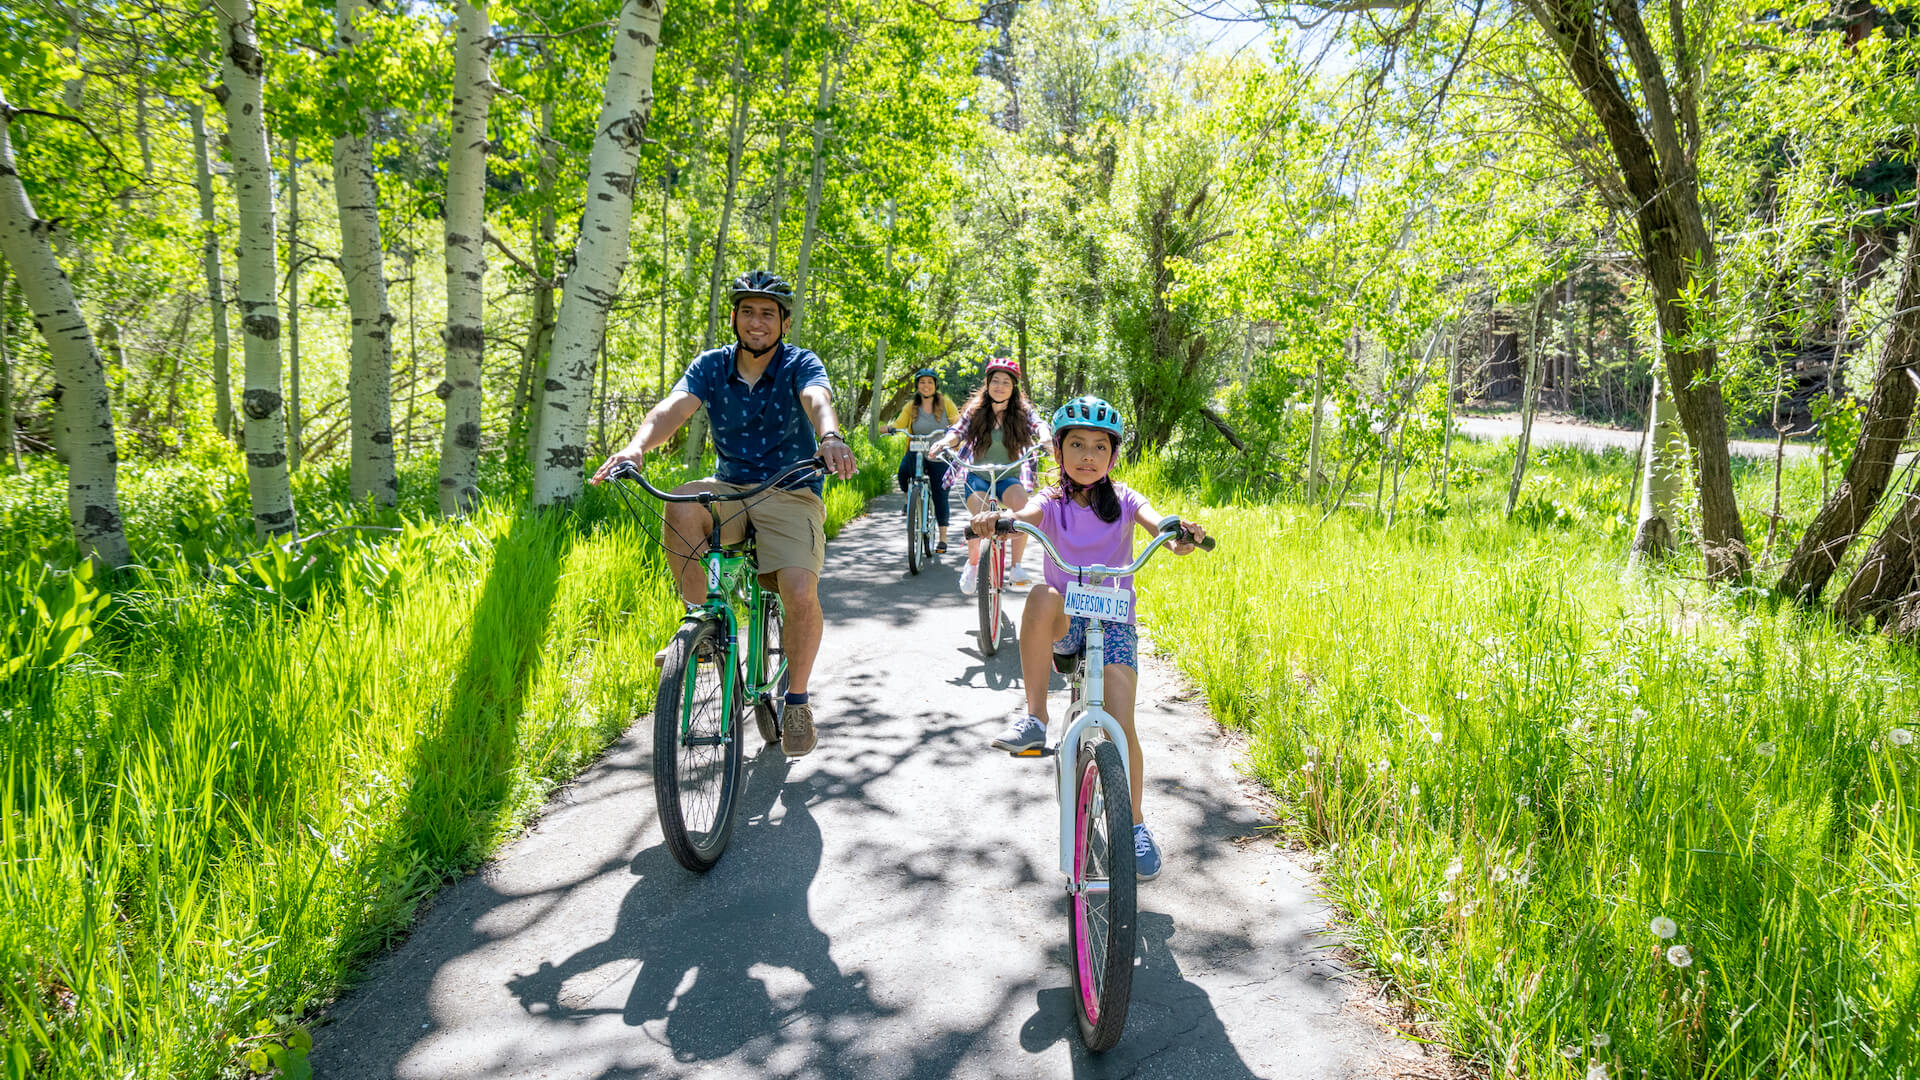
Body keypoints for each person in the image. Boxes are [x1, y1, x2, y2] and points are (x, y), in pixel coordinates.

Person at [590, 269, 858, 758]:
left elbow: (816, 398)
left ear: (784, 322)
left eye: (768, 314)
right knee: (682, 502)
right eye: (748, 312)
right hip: (731, 488)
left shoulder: (799, 363)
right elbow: (673, 408)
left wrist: (831, 436)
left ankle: (797, 700)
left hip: (791, 489)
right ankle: (702, 628)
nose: (757, 322)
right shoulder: (712, 365)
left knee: (799, 591)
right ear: (734, 318)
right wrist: (635, 448)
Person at [968, 396, 1207, 881]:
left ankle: (1134, 825)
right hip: (1065, 620)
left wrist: (1179, 533)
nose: (1088, 456)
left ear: (1113, 456)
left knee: (1121, 724)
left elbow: (1157, 521)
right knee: (1041, 594)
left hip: (1114, 622)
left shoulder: (1125, 499)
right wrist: (1001, 521)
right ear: (1058, 451)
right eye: (1076, 444)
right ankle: (1036, 717)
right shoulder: (1052, 501)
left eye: (1100, 447)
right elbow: (1028, 513)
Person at [927, 356, 1049, 596]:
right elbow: (957, 432)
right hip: (978, 477)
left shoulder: (1022, 412)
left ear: (1013, 388)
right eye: (995, 381)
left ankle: (1016, 567)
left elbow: (1039, 425)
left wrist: (1045, 438)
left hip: (1008, 477)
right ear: (988, 384)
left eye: (1006, 382)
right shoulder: (976, 411)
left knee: (1021, 507)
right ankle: (973, 566)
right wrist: (944, 442)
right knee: (980, 517)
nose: (1000, 386)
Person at [887, 367, 958, 553]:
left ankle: (942, 538)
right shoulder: (912, 406)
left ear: (935, 385)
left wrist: (953, 432)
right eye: (922, 382)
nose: (926, 386)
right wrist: (890, 428)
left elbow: (957, 421)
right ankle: (908, 500)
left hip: (939, 452)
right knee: (903, 472)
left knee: (940, 493)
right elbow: (900, 423)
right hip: (918, 448)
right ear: (917, 386)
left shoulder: (946, 403)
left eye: (929, 382)